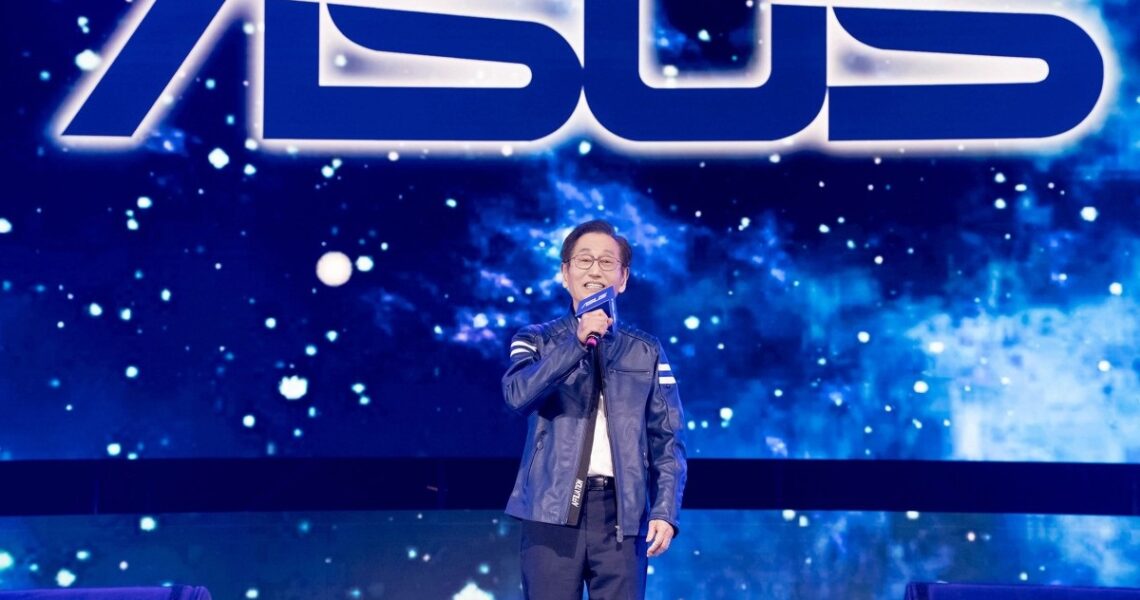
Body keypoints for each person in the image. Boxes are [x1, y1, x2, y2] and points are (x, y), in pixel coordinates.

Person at [502, 219, 687, 599]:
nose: (595, 270)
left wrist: (664, 511)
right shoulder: (536, 339)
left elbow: (667, 439)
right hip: (550, 511)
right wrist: (577, 342)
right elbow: (517, 395)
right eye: (584, 260)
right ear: (565, 273)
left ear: (623, 278)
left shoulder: (646, 351)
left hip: (622, 514)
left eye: (606, 262)